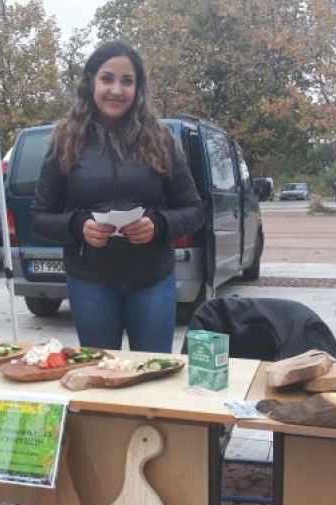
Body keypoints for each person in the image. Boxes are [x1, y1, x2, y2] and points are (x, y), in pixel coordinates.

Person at [31, 41, 205, 352]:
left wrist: (159, 225)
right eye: (107, 78)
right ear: (91, 82)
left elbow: (194, 210)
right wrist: (77, 227)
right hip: (90, 282)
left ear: (138, 89)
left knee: (152, 373)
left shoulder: (161, 138)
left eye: (127, 81)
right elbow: (40, 217)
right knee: (99, 376)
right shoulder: (64, 139)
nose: (117, 90)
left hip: (152, 280)